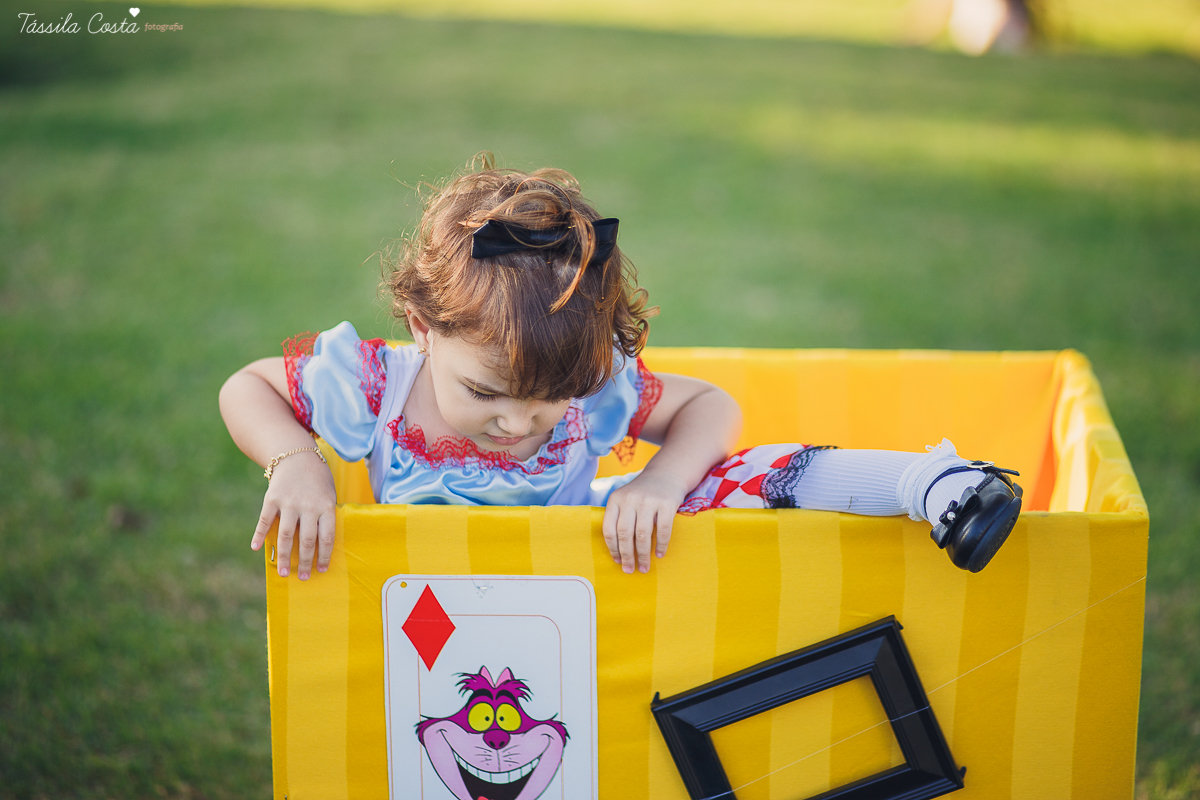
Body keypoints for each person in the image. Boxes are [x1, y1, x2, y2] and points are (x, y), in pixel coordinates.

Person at [219, 157, 1022, 582]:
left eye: (552, 398)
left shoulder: (588, 394)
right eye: (486, 393)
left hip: (587, 574)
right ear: (424, 329)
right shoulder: (377, 387)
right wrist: (296, 462)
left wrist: (659, 483)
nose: (519, 423)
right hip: (447, 621)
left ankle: (935, 485)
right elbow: (246, 385)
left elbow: (711, 407)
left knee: (739, 476)